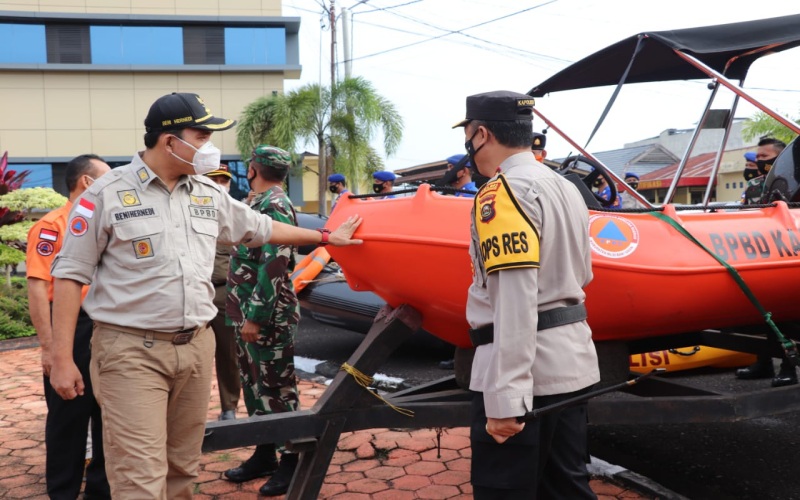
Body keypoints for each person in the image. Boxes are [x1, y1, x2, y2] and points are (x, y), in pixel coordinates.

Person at [47, 91, 363, 499]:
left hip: (196, 349)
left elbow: (262, 228)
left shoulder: (206, 192)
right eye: (201, 136)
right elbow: (70, 275)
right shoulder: (104, 195)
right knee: (139, 477)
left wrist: (324, 237)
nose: (208, 147)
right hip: (130, 353)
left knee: (181, 470)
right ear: (169, 141)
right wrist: (61, 358)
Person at [453, 90, 600, 499]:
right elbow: (583, 273)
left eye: (466, 134)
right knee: (566, 488)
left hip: (524, 378)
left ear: (481, 134)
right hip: (570, 363)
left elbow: (515, 301)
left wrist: (507, 399)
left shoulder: (502, 193)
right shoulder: (564, 185)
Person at [26, 154, 112, 500]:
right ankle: (62, 491)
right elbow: (37, 287)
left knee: (109, 412)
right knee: (68, 416)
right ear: (88, 183)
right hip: (71, 327)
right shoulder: (52, 226)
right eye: (107, 176)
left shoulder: (107, 222)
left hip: (109, 325)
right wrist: (50, 348)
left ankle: (101, 490)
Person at [223, 145, 301, 496]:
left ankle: (293, 460)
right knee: (255, 388)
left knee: (277, 389)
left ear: (253, 169)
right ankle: (265, 452)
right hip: (247, 315)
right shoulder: (257, 202)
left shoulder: (275, 206)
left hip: (267, 317)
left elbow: (274, 267)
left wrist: (254, 318)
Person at [736, 137, 795, 387]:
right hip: (758, 258)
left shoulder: (791, 185)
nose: (759, 162)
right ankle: (763, 363)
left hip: (786, 258)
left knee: (786, 319)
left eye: (764, 157)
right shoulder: (754, 187)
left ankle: (789, 368)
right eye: (757, 157)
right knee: (763, 316)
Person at [203, 164, 242, 421]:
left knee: (229, 355)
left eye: (223, 180)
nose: (220, 184)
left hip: (223, 294)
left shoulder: (238, 215)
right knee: (189, 356)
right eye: (214, 179)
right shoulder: (186, 211)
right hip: (192, 294)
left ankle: (229, 408)